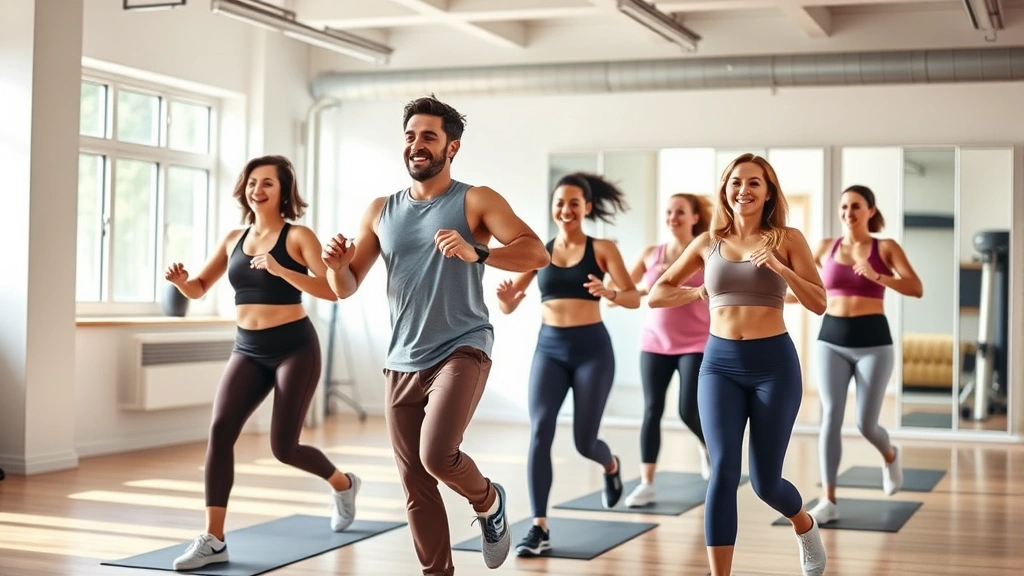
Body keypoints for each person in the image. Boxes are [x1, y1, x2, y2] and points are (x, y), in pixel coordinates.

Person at [320, 95, 550, 576]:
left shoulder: (475, 199)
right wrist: (338, 266)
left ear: (452, 147)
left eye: (429, 136)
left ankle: (488, 501)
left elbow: (535, 254)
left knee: (435, 455)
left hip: (462, 346)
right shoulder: (381, 210)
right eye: (410, 136)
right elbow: (344, 288)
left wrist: (478, 252)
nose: (417, 145)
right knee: (415, 484)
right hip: (402, 358)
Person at [164, 155, 360, 571]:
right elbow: (200, 287)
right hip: (247, 349)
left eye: (268, 183)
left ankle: (343, 483)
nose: (258, 189)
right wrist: (184, 283)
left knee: (283, 448)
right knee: (219, 430)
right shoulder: (233, 237)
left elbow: (332, 290)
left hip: (294, 348)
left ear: (284, 192)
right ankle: (214, 538)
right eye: (253, 182)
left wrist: (280, 269)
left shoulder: (297, 236)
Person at [648, 153, 828, 576]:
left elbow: (819, 302)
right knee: (723, 470)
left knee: (766, 483)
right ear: (725, 190)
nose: (743, 190)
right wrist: (696, 294)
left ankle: (803, 523)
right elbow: (657, 293)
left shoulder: (787, 237)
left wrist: (781, 268)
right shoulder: (709, 241)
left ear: (768, 193)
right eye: (735, 182)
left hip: (774, 367)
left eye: (754, 183)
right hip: (719, 366)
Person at [494, 172, 639, 557]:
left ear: (586, 208)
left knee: (584, 441)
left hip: (592, 351)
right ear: (553, 208)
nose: (566, 209)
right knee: (540, 431)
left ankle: (610, 466)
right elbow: (509, 306)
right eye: (560, 203)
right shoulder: (540, 250)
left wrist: (610, 291)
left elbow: (632, 298)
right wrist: (508, 298)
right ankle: (539, 526)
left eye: (574, 203)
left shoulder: (603, 248)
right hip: (550, 351)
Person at [806, 184, 923, 525]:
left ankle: (889, 454)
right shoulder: (825, 247)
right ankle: (828, 498)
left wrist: (878, 276)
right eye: (844, 206)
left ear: (870, 210)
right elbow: (804, 286)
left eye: (856, 206)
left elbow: (915, 288)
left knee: (865, 424)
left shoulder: (884, 247)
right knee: (829, 417)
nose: (848, 212)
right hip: (831, 341)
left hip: (874, 344)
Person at [613, 193, 714, 508]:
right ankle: (646, 482)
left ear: (695, 217)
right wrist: (611, 292)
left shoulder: (706, 251)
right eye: (669, 212)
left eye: (680, 212)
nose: (673, 217)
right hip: (655, 342)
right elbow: (631, 289)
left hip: (696, 342)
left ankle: (707, 445)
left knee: (688, 410)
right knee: (652, 410)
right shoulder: (651, 254)